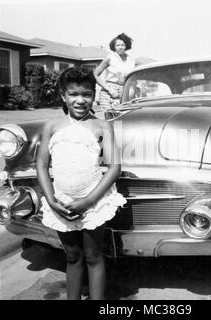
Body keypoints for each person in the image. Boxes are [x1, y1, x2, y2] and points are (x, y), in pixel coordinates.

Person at [36, 67, 126, 300]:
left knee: (94, 256)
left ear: (94, 95)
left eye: (86, 94)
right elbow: (42, 165)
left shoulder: (102, 126)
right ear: (63, 96)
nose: (80, 100)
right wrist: (51, 200)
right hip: (61, 202)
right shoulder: (52, 126)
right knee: (73, 256)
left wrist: (88, 201)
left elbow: (114, 167)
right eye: (73, 94)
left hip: (94, 201)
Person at [93, 33, 135, 112]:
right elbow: (94, 75)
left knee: (121, 120)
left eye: (122, 45)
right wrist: (109, 89)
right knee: (109, 118)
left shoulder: (131, 60)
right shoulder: (109, 58)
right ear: (114, 46)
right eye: (118, 45)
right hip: (109, 92)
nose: (120, 47)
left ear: (126, 46)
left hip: (125, 91)